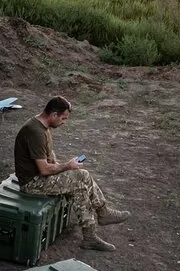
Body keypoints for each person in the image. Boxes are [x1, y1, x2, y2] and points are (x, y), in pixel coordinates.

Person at [13, 96, 129, 252]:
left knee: (79, 185)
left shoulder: (43, 126)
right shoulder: (35, 132)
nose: (63, 122)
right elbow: (44, 170)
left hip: (40, 176)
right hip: (32, 183)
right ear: (53, 114)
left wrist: (61, 166)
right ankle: (102, 214)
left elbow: (49, 155)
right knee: (81, 176)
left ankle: (91, 234)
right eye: (63, 118)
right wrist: (67, 165)